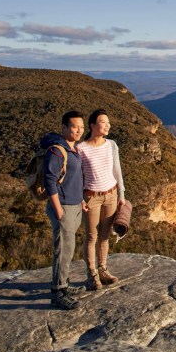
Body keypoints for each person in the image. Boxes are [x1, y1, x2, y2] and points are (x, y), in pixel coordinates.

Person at [42, 111, 87, 310]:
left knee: (68, 249)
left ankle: (64, 285)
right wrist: (58, 208)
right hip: (64, 207)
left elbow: (73, 179)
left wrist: (81, 201)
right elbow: (49, 180)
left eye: (81, 127)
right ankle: (57, 292)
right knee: (62, 250)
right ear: (64, 127)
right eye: (74, 126)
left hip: (74, 205)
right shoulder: (57, 151)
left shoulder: (72, 149)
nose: (79, 130)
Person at [77, 109, 126, 291]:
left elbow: (117, 171)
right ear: (92, 126)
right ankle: (92, 275)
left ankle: (103, 269)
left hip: (111, 195)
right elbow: (77, 177)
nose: (108, 125)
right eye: (103, 122)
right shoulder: (81, 149)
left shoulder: (111, 145)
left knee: (105, 235)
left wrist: (121, 194)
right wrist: (79, 198)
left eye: (108, 122)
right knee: (91, 236)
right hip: (91, 197)